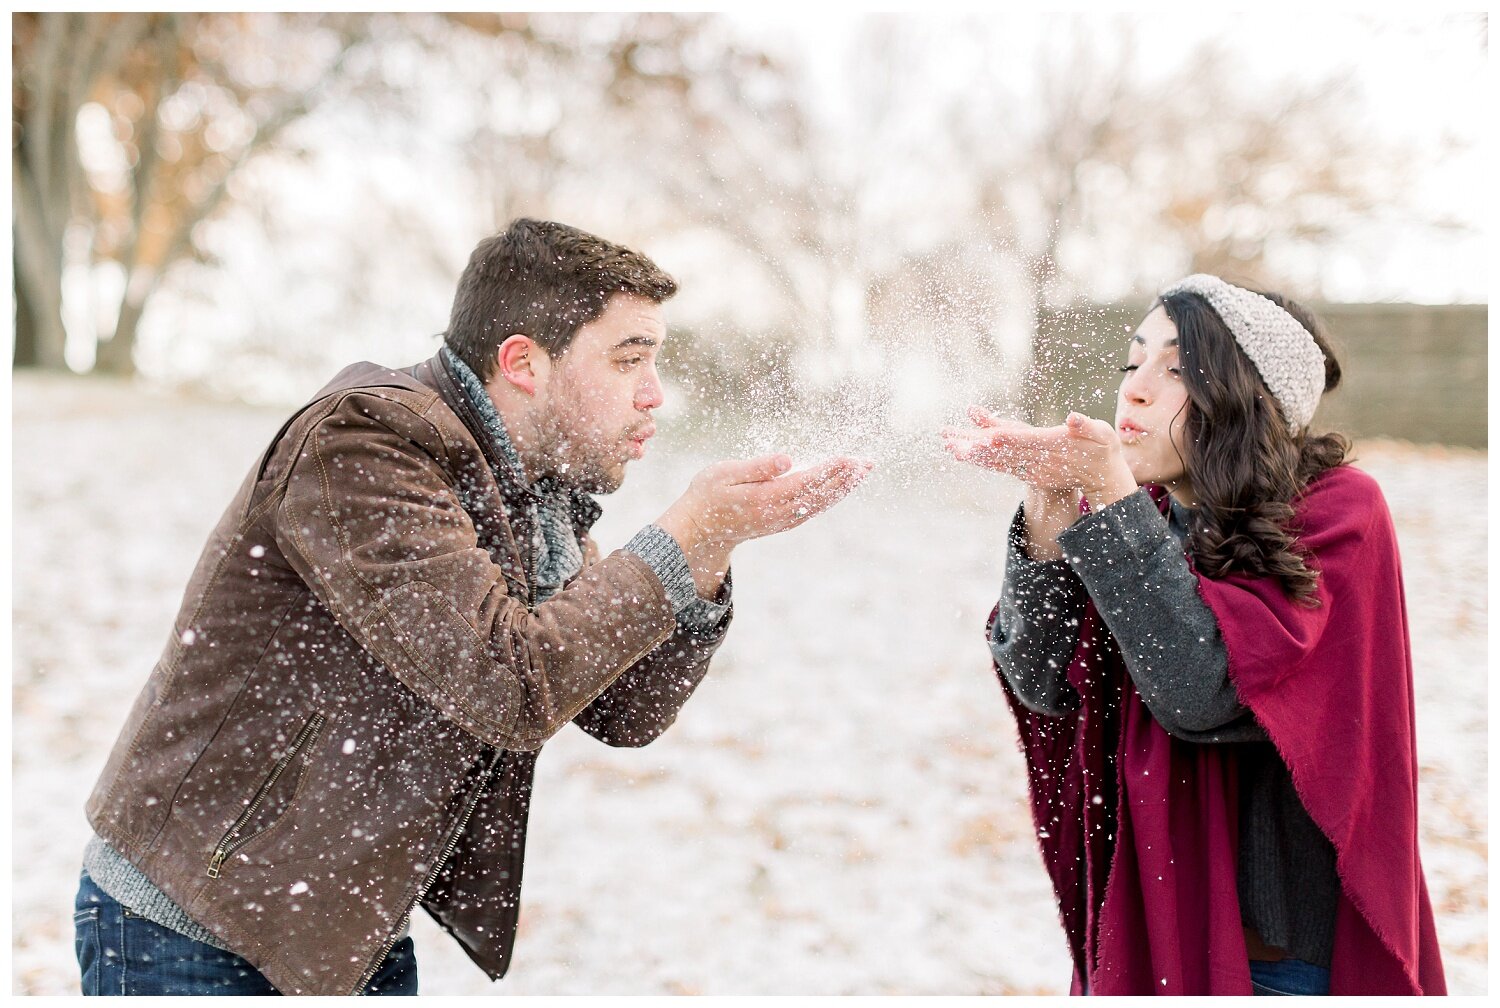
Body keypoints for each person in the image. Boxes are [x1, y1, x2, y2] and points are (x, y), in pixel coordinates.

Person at [76, 218, 872, 995]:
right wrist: (683, 532)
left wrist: (708, 554)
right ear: (524, 362)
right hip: (191, 931)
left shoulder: (530, 489)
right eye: (630, 360)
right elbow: (508, 681)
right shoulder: (364, 444)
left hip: (344, 936)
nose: (655, 395)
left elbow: (622, 709)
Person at [940, 275, 1446, 995]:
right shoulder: (1139, 515)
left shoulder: (1338, 512)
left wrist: (1111, 500)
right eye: (1133, 362)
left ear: (1246, 396)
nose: (1135, 391)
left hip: (1282, 974)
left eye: (1176, 368)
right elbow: (1043, 683)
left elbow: (1201, 690)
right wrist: (1050, 500)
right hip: (1142, 943)